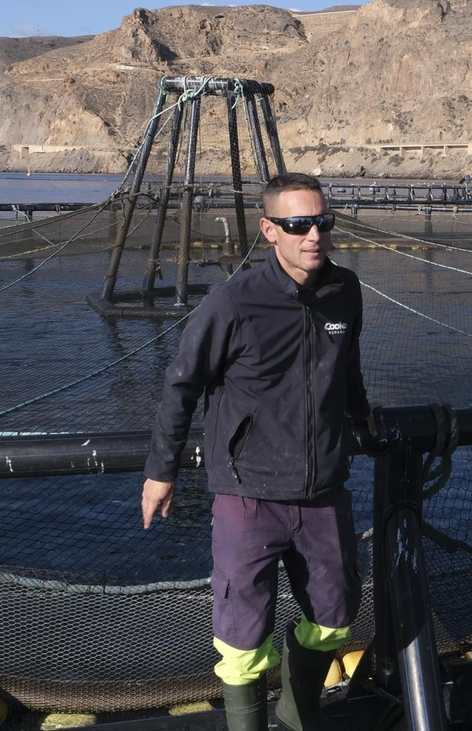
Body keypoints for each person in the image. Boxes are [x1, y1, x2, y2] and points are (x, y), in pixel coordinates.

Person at [142, 172, 370, 731]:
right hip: (248, 494)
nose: (313, 235)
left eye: (322, 221)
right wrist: (160, 472)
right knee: (241, 642)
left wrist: (364, 419)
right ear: (269, 230)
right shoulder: (232, 302)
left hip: (323, 492)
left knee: (336, 620)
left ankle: (297, 714)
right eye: (298, 224)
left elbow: (348, 369)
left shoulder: (345, 290)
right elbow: (182, 385)